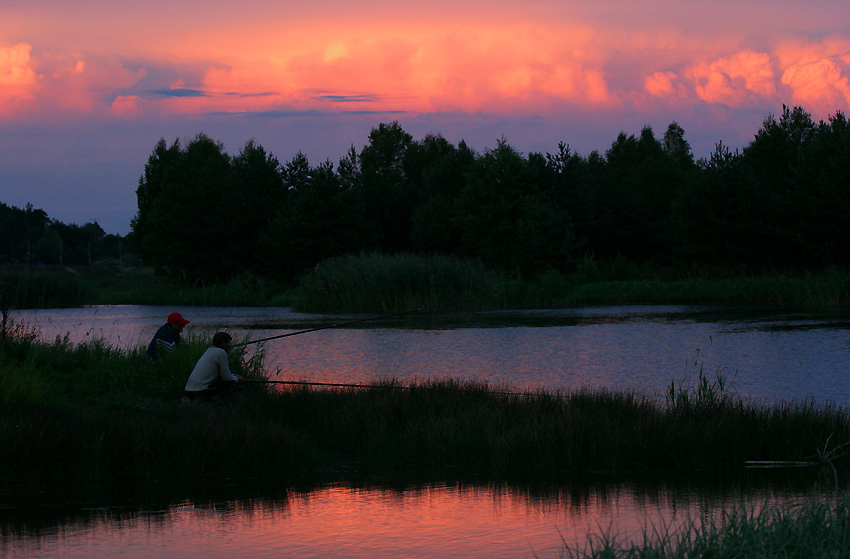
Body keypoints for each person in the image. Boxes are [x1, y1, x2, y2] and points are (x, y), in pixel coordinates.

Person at [184, 332, 244, 401]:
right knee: (232, 384)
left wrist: (234, 376)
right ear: (223, 344)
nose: (230, 346)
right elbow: (227, 378)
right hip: (199, 392)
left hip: (189, 391)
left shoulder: (209, 350)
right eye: (229, 343)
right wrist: (237, 379)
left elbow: (223, 375)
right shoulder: (221, 353)